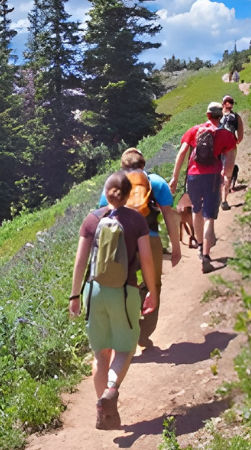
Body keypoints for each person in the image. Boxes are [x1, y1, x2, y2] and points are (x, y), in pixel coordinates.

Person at [70, 172, 158, 430]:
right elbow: (147, 259)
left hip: (94, 291)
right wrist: (152, 290)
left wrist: (75, 295)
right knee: (126, 348)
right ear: (130, 194)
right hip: (124, 291)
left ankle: (104, 413)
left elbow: (80, 262)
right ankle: (111, 389)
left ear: (105, 192)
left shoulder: (91, 220)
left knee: (100, 354)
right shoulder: (136, 220)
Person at [98, 148, 181, 349]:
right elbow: (169, 215)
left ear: (122, 166)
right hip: (150, 239)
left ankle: (122, 330)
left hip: (121, 241)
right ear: (143, 164)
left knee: (122, 285)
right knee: (154, 285)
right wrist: (176, 247)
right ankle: (143, 333)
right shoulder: (155, 182)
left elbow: (102, 215)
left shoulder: (112, 184)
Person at [168, 102, 235, 273]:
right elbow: (230, 159)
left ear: (207, 115)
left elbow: (182, 153)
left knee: (196, 210)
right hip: (212, 176)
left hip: (193, 176)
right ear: (221, 115)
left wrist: (174, 177)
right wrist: (226, 174)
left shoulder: (194, 130)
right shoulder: (225, 134)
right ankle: (206, 256)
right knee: (209, 217)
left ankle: (199, 246)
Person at [217, 95, 244, 211]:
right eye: (228, 102)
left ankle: (221, 199)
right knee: (226, 174)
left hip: (218, 147)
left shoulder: (216, 116)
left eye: (229, 102)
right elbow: (240, 136)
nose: (228, 104)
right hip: (230, 147)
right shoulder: (236, 117)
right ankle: (223, 200)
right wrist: (234, 141)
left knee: (221, 173)